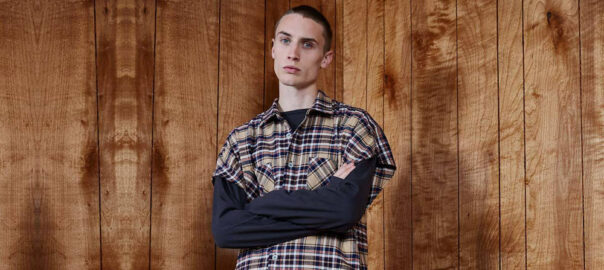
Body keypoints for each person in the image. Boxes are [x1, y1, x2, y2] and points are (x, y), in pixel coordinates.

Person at [211, 5, 396, 270]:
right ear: (274, 48)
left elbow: (344, 212)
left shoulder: (352, 126)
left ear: (325, 57)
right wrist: (324, 205)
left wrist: (265, 203)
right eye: (286, 40)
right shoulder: (242, 140)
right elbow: (226, 230)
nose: (293, 53)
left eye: (307, 44)